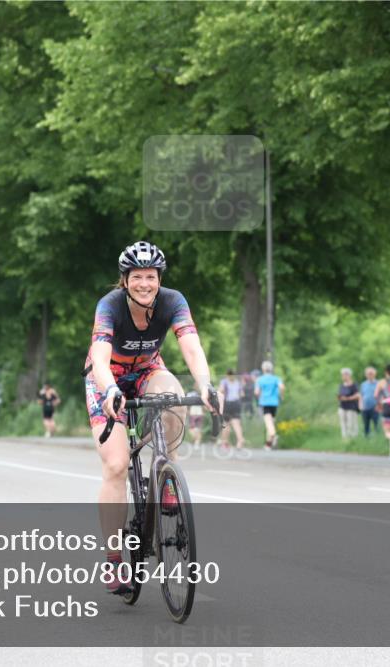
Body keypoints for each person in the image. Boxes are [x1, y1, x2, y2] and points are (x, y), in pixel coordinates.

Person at [84, 241, 215, 595]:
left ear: (160, 279)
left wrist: (206, 385)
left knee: (173, 395)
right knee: (116, 465)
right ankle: (114, 559)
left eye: (151, 277)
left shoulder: (173, 301)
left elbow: (191, 347)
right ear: (125, 280)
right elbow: (99, 358)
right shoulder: (110, 305)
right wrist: (111, 390)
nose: (145, 283)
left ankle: (167, 473)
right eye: (137, 277)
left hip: (147, 370)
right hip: (107, 378)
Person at [255, 360, 284, 449]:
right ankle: (268, 444)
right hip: (274, 403)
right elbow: (282, 387)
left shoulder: (260, 379)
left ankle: (273, 435)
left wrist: (259, 398)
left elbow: (256, 392)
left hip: (265, 402)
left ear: (263, 369)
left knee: (268, 422)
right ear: (271, 369)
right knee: (271, 423)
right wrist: (281, 396)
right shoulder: (276, 378)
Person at [218, 369, 245, 449]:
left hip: (228, 404)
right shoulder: (238, 383)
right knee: (236, 423)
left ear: (227, 374)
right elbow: (242, 394)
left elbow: (220, 391)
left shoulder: (224, 382)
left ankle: (224, 442)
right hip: (236, 403)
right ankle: (240, 441)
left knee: (226, 424)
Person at [337, 368, 360, 439]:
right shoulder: (341, 385)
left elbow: (358, 395)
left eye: (345, 375)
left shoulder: (354, 384)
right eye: (342, 375)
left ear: (349, 375)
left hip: (351, 407)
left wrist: (348, 398)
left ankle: (352, 438)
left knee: (351, 423)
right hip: (342, 406)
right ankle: (345, 438)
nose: (343, 376)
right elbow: (339, 394)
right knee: (343, 423)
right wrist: (340, 397)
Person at [359, 367, 379, 437]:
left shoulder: (378, 383)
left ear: (375, 374)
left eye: (371, 373)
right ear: (366, 375)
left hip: (375, 408)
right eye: (368, 374)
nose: (370, 375)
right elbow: (361, 395)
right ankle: (366, 439)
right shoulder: (363, 384)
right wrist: (361, 405)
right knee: (366, 426)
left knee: (377, 425)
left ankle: (379, 438)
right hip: (365, 408)